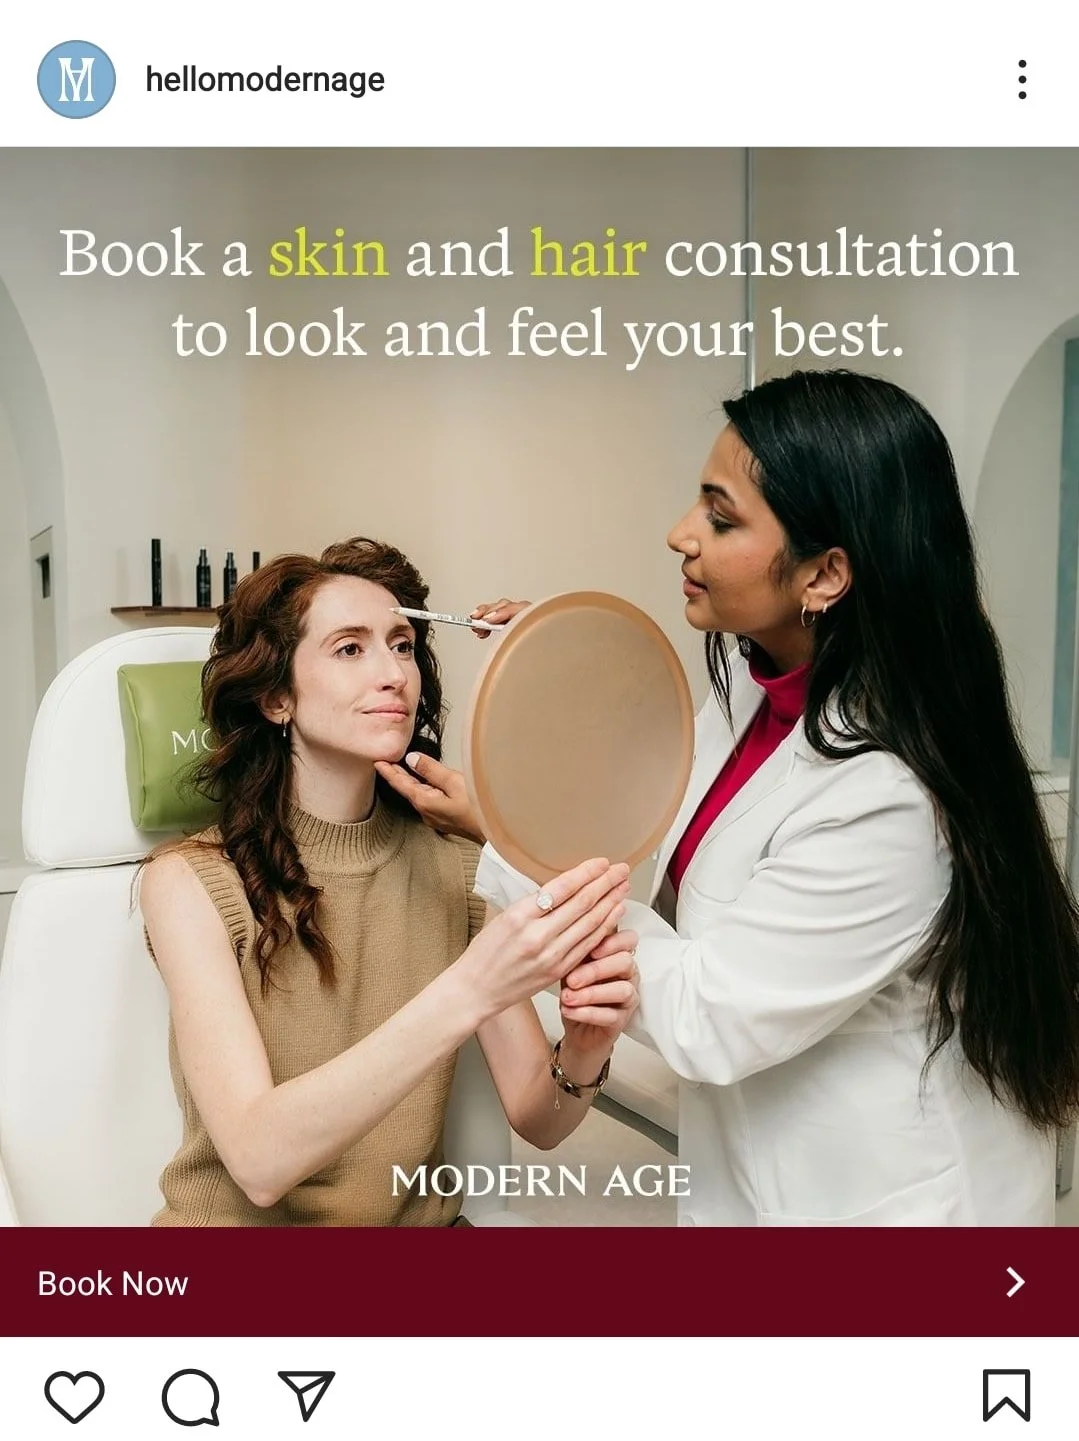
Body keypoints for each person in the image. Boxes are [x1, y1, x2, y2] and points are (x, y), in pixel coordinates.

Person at [376, 369, 1079, 1226]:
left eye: (720, 515)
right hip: (765, 1172)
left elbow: (706, 1011)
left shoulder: (891, 798)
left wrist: (507, 845)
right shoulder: (755, 687)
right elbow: (655, 803)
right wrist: (563, 667)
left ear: (824, 575)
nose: (680, 534)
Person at [138, 537, 639, 1227]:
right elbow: (258, 1160)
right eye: (350, 648)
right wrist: (469, 988)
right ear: (278, 697)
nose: (393, 673)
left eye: (401, 645)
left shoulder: (456, 864)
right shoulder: (189, 882)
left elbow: (539, 1116)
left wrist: (584, 1044)